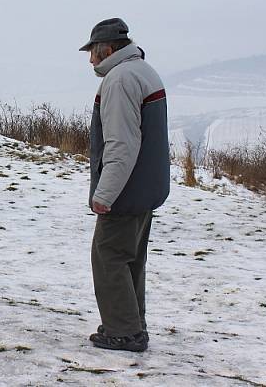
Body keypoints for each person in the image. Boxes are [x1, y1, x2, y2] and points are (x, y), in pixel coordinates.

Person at [80, 17, 170, 353]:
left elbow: (121, 145)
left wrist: (104, 194)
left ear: (108, 49)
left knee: (108, 256)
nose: (90, 60)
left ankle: (123, 332)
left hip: (126, 189)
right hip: (147, 188)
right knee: (131, 258)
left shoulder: (119, 80)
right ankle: (133, 324)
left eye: (93, 52)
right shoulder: (144, 71)